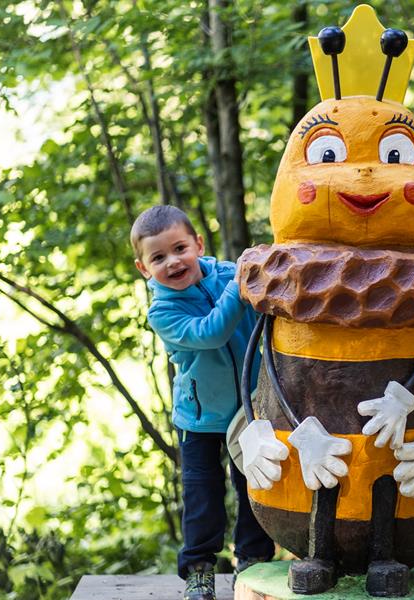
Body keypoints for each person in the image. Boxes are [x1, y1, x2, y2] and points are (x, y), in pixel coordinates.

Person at [131, 205, 275, 600]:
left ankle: (254, 562)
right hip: (200, 419)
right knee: (202, 495)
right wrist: (238, 287)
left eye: (179, 249)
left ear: (198, 244)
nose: (173, 262)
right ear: (144, 269)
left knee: (255, 485)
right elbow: (211, 332)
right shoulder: (162, 310)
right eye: (158, 258)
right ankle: (199, 569)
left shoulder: (229, 274)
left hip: (250, 410)